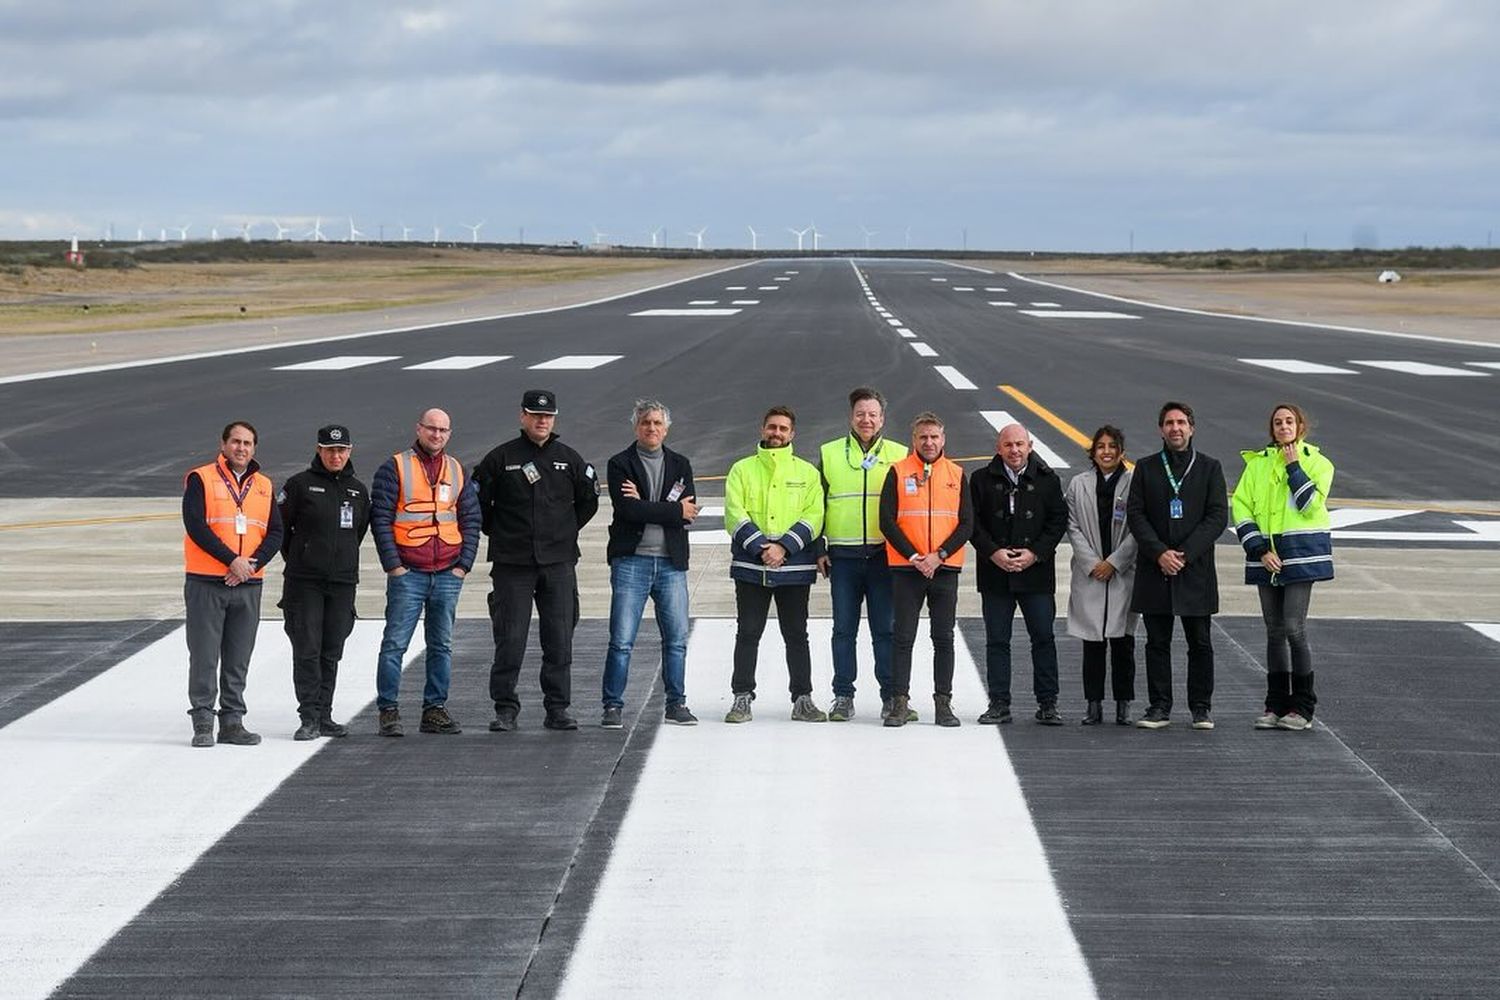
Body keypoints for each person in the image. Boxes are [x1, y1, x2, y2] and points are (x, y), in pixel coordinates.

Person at [473, 389, 600, 732]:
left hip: (558, 563)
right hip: (512, 563)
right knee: (510, 638)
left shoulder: (569, 459)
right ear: (523, 416)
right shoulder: (499, 459)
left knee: (559, 638)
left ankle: (557, 708)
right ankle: (505, 708)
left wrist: (563, 532)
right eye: (535, 415)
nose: (542, 421)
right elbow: (479, 506)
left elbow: (588, 502)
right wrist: (502, 534)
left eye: (548, 416)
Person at [370, 408, 481, 737]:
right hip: (409, 574)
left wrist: (464, 565)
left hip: (448, 572)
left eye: (443, 430)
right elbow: (381, 520)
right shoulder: (394, 467)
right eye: (431, 428)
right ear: (418, 429)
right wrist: (394, 566)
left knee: (441, 645)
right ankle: (388, 711)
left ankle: (434, 709)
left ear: (449, 433)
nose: (437, 435)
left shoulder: (457, 469)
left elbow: (471, 519)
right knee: (394, 645)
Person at [1126, 401, 1228, 731]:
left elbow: (1217, 518)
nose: (1175, 428)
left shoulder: (1210, 468)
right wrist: (1160, 554)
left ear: (1192, 428)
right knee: (1157, 643)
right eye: (1169, 423)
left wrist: (1183, 554)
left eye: (1181, 422)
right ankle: (1159, 706)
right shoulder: (1146, 467)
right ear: (1161, 429)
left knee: (1200, 643)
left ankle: (1201, 707)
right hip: (1156, 568)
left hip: (1194, 569)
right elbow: (1136, 515)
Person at [1232, 403, 1334, 732]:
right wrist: (1259, 549)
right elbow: (1241, 505)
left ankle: (1302, 707)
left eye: (1289, 421)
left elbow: (1308, 503)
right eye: (1278, 422)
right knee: (1273, 632)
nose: (1284, 426)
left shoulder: (1319, 464)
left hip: (1301, 555)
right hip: (1267, 556)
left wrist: (1293, 465)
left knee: (1294, 629)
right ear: (1272, 429)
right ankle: (1275, 704)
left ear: (1300, 426)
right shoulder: (1256, 465)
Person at [182, 420, 283, 747]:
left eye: (248, 443)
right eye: (236, 442)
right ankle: (202, 721)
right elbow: (196, 526)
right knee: (204, 654)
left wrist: (250, 565)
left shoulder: (264, 485)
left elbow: (276, 533)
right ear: (223, 444)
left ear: (254, 448)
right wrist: (232, 561)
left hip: (248, 583)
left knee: (239, 656)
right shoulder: (202, 479)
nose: (242, 448)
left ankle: (232, 720)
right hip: (207, 582)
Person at [723, 406, 826, 723]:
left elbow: (815, 516)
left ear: (792, 434)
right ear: (762, 429)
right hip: (752, 569)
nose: (777, 433)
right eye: (772, 427)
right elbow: (734, 513)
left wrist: (783, 547)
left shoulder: (807, 473)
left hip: (793, 570)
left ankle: (803, 698)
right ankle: (742, 697)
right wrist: (760, 548)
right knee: (748, 632)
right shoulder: (741, 469)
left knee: (796, 634)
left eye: (783, 428)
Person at [600, 399, 699, 728]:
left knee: (676, 639)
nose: (652, 428)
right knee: (622, 640)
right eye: (646, 423)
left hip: (671, 564)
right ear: (636, 427)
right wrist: (669, 510)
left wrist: (645, 504)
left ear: (666, 428)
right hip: (632, 562)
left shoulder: (680, 464)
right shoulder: (620, 464)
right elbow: (629, 511)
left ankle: (676, 703)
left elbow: (689, 513)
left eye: (657, 423)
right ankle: (612, 706)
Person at [816, 386, 909, 722]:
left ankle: (890, 696)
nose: (866, 420)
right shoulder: (829, 453)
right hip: (843, 558)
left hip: (884, 558)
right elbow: (816, 504)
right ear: (851, 417)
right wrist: (818, 548)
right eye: (860, 414)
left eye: (872, 414)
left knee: (885, 630)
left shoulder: (900, 454)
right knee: (843, 629)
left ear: (882, 418)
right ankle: (843, 695)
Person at [970, 422, 1069, 725]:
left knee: (1043, 637)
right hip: (995, 572)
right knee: (997, 640)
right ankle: (999, 702)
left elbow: (1057, 521)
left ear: (1030, 447)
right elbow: (972, 523)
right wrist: (993, 552)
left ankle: (1048, 703)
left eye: (1019, 444)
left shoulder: (1048, 480)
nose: (1014, 450)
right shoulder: (980, 480)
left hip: (1035, 573)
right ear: (998, 448)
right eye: (1008, 445)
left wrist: (1035, 553)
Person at [277, 423, 371, 741]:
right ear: (319, 450)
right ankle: (308, 717)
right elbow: (282, 531)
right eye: (330, 450)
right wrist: (304, 558)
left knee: (332, 650)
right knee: (307, 649)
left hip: (342, 583)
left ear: (349, 451)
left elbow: (357, 533)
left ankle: (325, 714)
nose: (336, 455)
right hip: (305, 583)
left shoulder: (358, 490)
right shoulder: (299, 485)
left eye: (342, 450)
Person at [879, 412, 972, 728]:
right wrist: (916, 555)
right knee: (903, 637)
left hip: (944, 569)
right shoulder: (898, 471)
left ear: (943, 439)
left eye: (934, 436)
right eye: (923, 437)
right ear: (913, 440)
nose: (929, 442)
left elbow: (966, 523)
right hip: (908, 569)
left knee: (943, 637)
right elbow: (887, 521)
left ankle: (943, 703)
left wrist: (939, 555)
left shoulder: (957, 474)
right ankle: (899, 703)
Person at [1064, 426, 1139, 726]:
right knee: (1092, 643)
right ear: (1093, 452)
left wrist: (1115, 562)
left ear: (1121, 451)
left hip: (1123, 573)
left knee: (1123, 643)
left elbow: (1138, 529)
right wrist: (1093, 562)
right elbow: (1072, 526)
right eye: (1100, 447)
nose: (1106, 451)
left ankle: (1124, 705)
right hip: (1090, 573)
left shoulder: (1134, 484)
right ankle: (1093, 705)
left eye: (1112, 446)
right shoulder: (1078, 484)